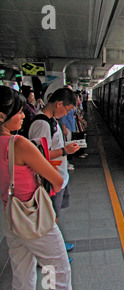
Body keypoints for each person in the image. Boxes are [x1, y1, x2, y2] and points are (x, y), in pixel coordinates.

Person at [0, 85, 73, 290]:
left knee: (22, 277)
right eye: (19, 112)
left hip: (10, 216)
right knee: (58, 272)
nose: (24, 116)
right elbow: (57, 180)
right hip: (34, 218)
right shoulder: (19, 143)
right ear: (2, 115)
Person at [28, 88, 80, 253]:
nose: (66, 114)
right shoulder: (42, 124)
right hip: (50, 179)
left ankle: (56, 245)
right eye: (67, 110)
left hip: (58, 175)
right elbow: (37, 155)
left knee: (53, 215)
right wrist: (65, 151)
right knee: (49, 217)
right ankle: (51, 251)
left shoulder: (51, 121)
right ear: (59, 104)